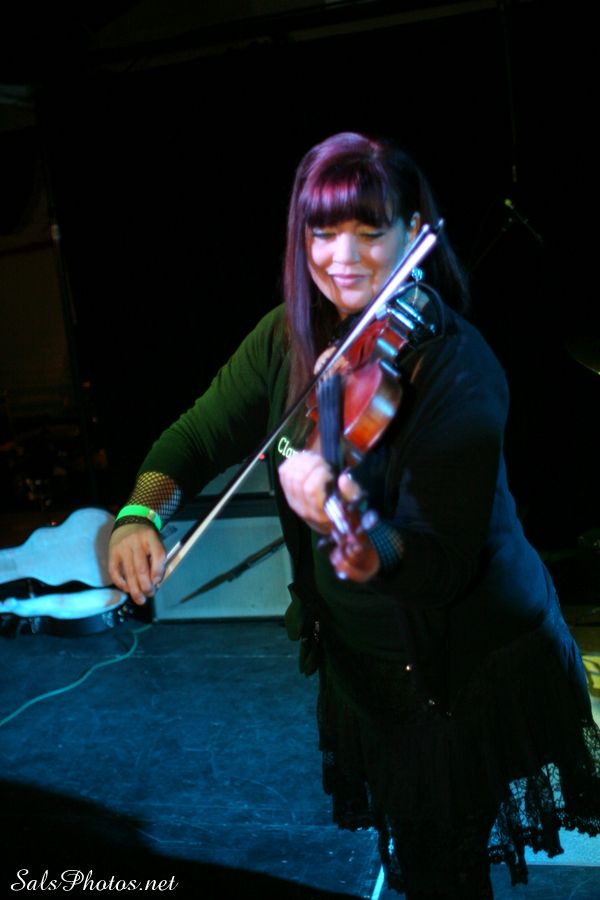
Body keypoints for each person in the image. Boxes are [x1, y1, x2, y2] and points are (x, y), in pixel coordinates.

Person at [108, 132, 600, 899]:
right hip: (363, 662)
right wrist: (143, 509)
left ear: (414, 233)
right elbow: (196, 437)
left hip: (462, 661)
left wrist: (349, 532)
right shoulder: (288, 336)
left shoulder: (456, 369)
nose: (343, 258)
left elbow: (437, 567)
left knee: (444, 873)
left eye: (370, 232)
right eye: (323, 232)